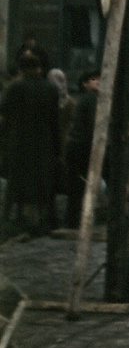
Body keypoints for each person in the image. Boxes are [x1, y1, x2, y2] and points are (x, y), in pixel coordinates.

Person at [0, 52, 61, 234]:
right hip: (43, 141)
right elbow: (54, 120)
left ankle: (11, 216)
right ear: (39, 69)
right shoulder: (50, 89)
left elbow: (3, 111)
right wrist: (57, 148)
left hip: (18, 141)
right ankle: (45, 218)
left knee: (15, 181)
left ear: (21, 69)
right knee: (43, 180)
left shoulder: (14, 87)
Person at [64, 70, 101, 230]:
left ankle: (73, 218)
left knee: (77, 184)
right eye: (93, 79)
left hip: (77, 145)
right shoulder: (92, 99)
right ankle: (77, 219)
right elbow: (94, 125)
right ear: (85, 83)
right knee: (81, 184)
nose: (98, 82)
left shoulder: (86, 98)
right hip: (83, 146)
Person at [48, 69, 77, 160]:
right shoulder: (46, 99)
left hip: (64, 139)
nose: (58, 84)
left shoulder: (70, 102)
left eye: (61, 80)